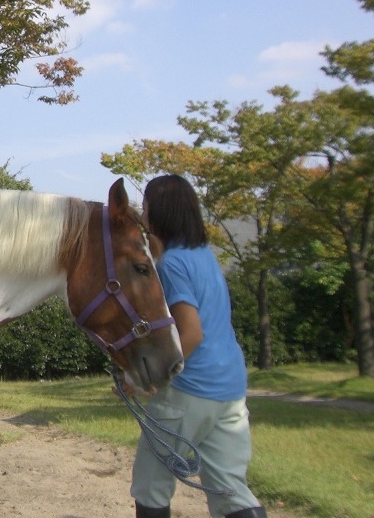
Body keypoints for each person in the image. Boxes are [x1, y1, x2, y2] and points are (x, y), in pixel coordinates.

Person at [129, 174, 267, 518]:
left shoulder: (172, 265)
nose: (144, 218)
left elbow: (190, 333)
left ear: (160, 213)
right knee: (231, 491)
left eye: (146, 209)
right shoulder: (203, 255)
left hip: (188, 390)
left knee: (151, 485)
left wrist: (147, 380)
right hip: (230, 388)